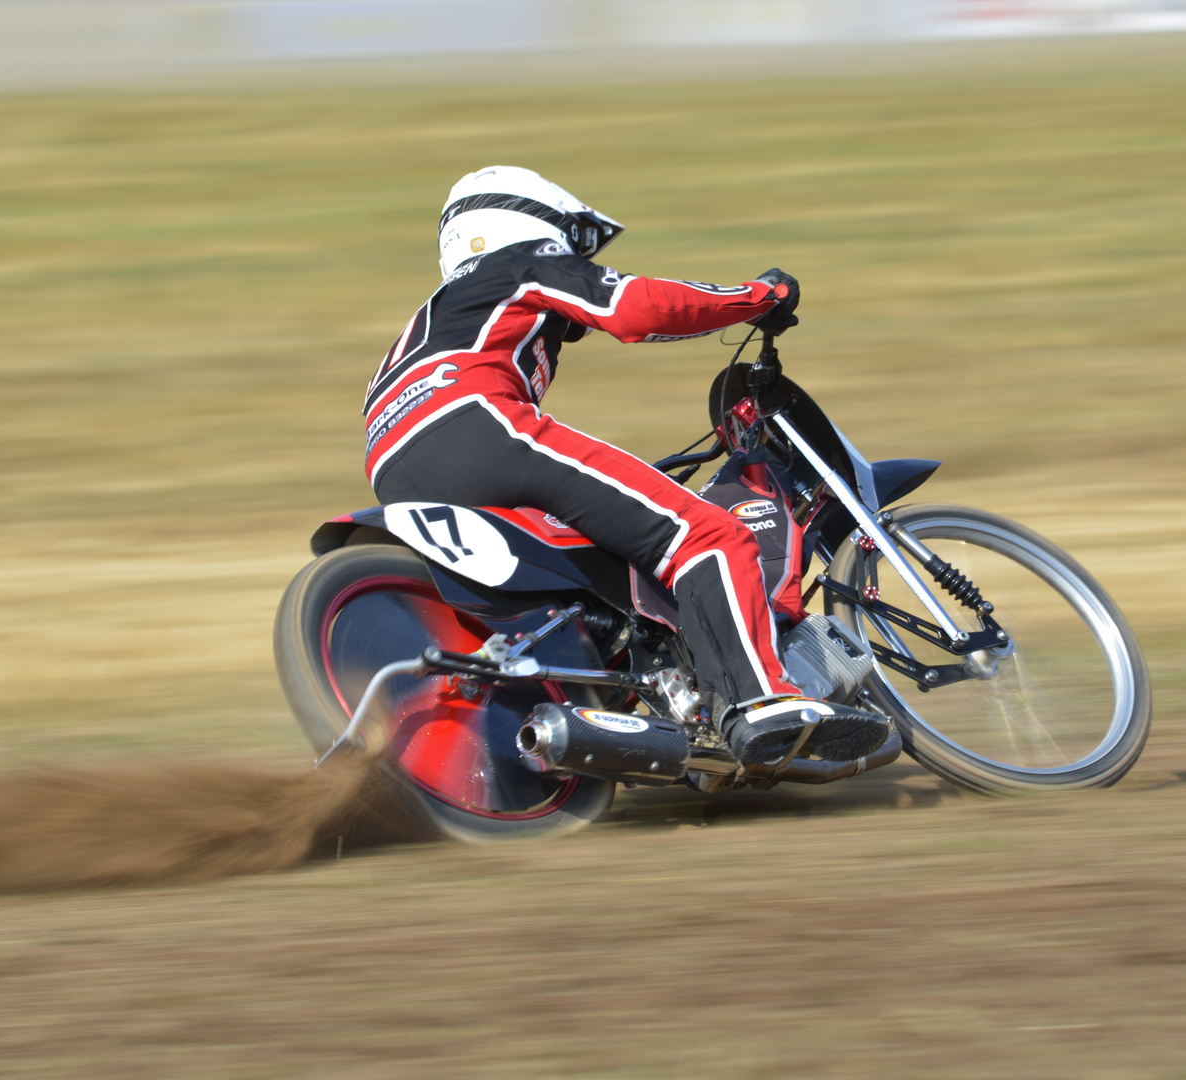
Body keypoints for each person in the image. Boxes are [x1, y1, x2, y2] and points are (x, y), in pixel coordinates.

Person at [362, 165, 888, 767]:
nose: (576, 255)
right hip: (477, 425)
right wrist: (754, 297)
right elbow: (638, 308)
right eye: (571, 239)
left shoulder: (431, 321)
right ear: (531, 224)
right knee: (706, 534)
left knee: (611, 579)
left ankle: (665, 704)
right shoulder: (519, 265)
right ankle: (766, 702)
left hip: (394, 470)